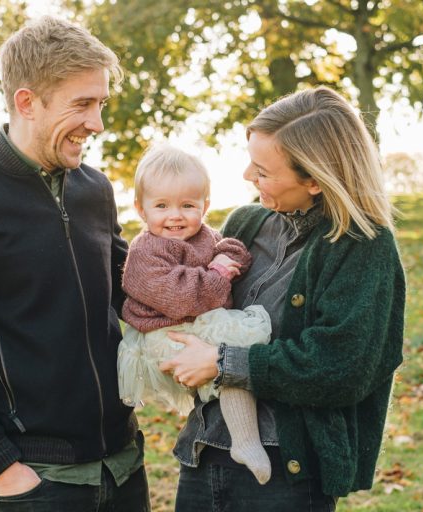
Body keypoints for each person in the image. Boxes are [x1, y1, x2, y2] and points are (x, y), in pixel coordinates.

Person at [0, 16, 150, 511]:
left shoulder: (95, 189)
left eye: (100, 104)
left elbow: (135, 290)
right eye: (82, 104)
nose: (97, 124)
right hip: (36, 479)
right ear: (26, 101)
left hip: (123, 464)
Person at [159, 86, 406, 511]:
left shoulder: (362, 245)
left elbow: (341, 366)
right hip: (203, 455)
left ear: (314, 179)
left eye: (263, 171)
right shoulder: (247, 223)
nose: (246, 177)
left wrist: (223, 363)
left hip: (283, 478)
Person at [117, 144, 273, 484]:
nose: (175, 216)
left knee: (229, 354)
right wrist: (219, 273)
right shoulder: (144, 252)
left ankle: (244, 442)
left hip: (197, 324)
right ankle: (245, 440)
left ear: (205, 206)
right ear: (141, 210)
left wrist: (228, 255)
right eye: (161, 206)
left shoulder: (204, 235)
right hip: (163, 334)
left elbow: (232, 251)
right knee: (225, 351)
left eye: (188, 206)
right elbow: (181, 297)